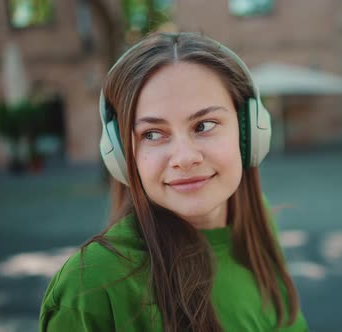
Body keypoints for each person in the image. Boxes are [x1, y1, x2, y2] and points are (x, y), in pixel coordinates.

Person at [39, 32, 308, 332]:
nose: (184, 157)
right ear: (120, 154)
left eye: (204, 125)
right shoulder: (89, 288)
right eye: (152, 133)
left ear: (249, 132)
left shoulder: (257, 226)